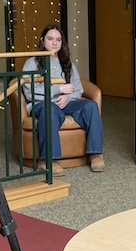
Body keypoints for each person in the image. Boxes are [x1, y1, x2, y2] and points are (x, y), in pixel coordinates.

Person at [21, 24, 104, 173]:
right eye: (50, 39)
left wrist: (67, 97)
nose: (54, 43)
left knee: (90, 106)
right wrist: (58, 89)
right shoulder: (31, 63)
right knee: (50, 109)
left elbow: (78, 89)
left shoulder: (67, 63)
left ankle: (96, 154)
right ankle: (48, 161)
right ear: (42, 41)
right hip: (42, 104)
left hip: (65, 103)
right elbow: (30, 92)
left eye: (58, 40)